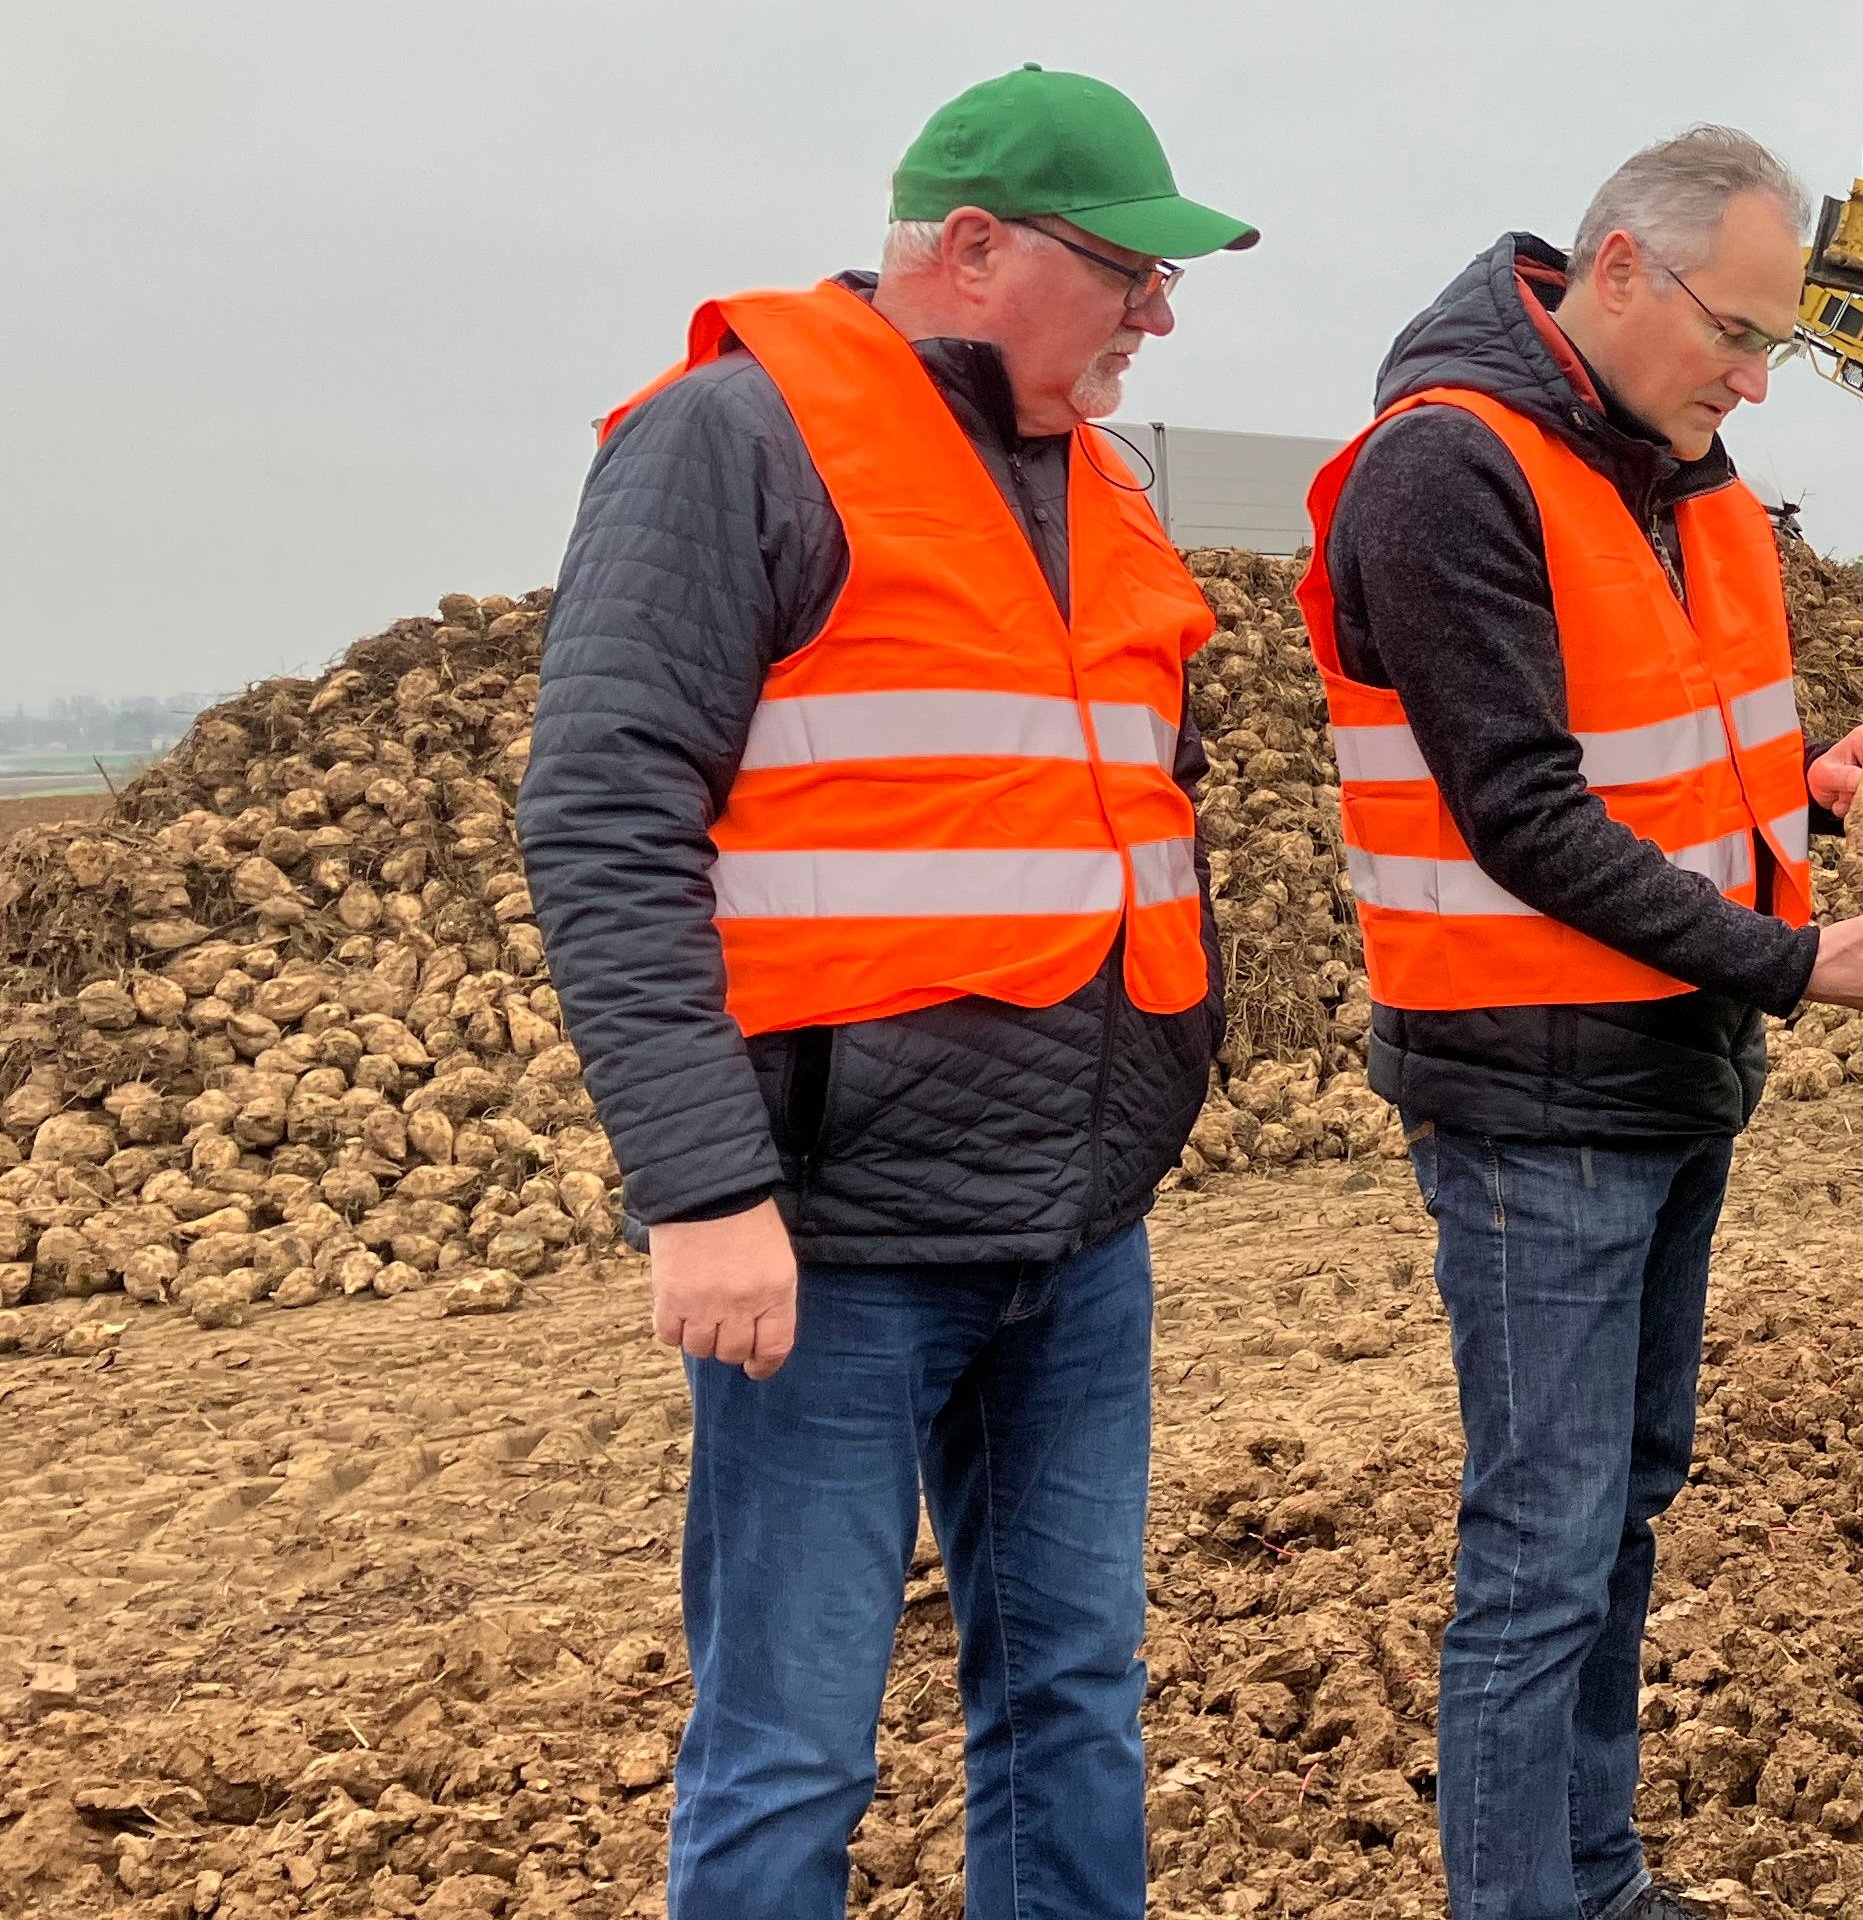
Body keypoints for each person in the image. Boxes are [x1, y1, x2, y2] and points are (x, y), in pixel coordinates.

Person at [518, 65, 1254, 1918]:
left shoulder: (1099, 482)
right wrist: (700, 1190)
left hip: (1079, 1235)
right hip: (833, 1247)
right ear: (979, 249)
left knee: (1073, 1698)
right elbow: (605, 822)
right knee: (789, 1747)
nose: (1162, 311)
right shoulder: (733, 439)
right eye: (1129, 271)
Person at [1294, 127, 1863, 1920]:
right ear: (1613, 272)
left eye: (1776, 347)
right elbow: (1522, 813)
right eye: (1735, 332)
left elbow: (1659, 759)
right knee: (1541, 1543)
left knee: (1614, 1513)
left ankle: (1591, 1882)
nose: (1754, 378)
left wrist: (1808, 794)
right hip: (1534, 1091)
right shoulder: (1448, 472)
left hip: (1668, 1073)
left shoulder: (1673, 468)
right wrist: (1793, 959)